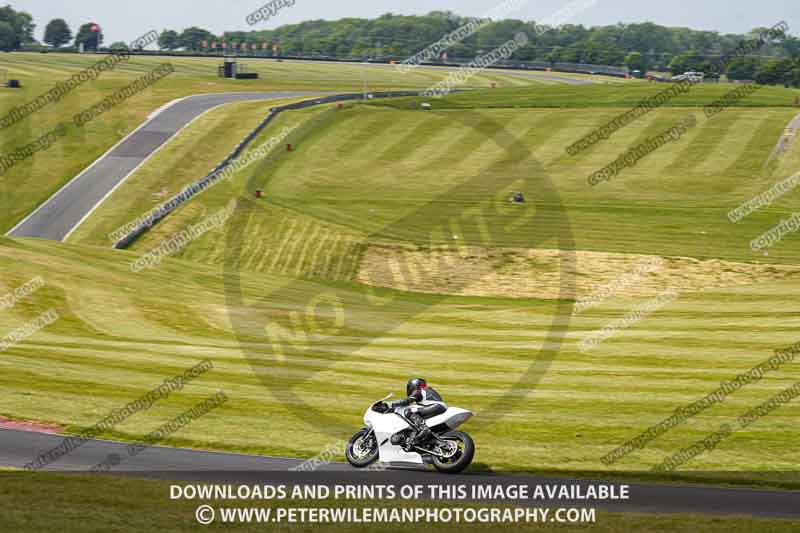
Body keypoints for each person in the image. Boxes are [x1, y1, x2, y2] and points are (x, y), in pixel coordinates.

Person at [390, 378, 447, 446]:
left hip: (436, 406)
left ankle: (424, 429)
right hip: (439, 407)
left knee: (409, 411)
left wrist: (391, 404)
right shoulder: (428, 391)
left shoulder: (418, 391)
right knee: (416, 410)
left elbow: (407, 401)